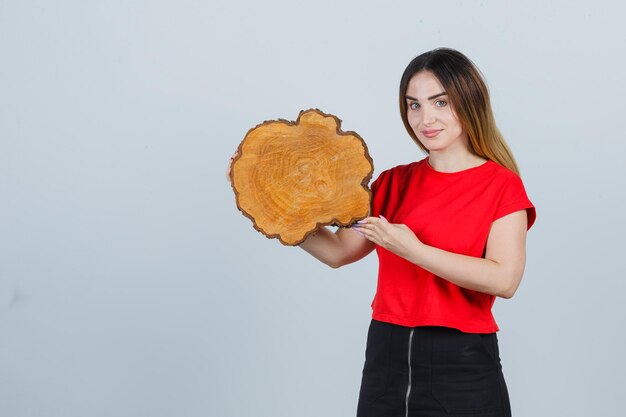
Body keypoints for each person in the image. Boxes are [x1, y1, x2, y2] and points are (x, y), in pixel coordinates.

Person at [228, 47, 535, 417]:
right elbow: (340, 252)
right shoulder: (394, 182)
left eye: (440, 102)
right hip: (386, 355)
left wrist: (413, 249)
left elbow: (505, 279)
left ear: (469, 102)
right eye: (414, 105)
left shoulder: (501, 186)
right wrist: (275, 205)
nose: (425, 118)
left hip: (463, 362)